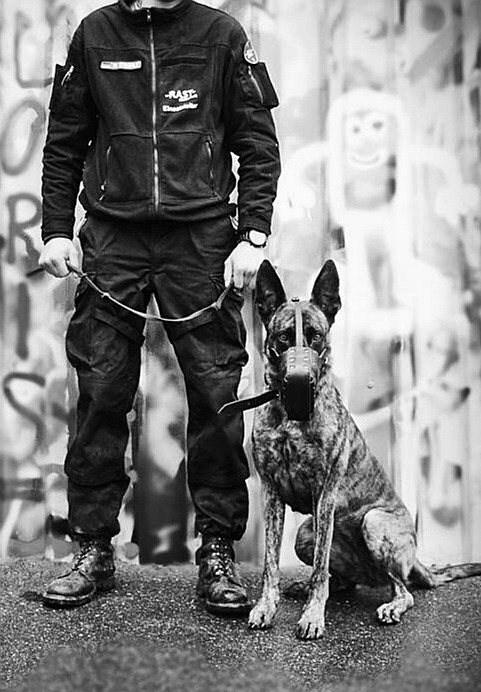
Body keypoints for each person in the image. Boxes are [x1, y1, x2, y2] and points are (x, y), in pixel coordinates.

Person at [38, 0, 280, 614]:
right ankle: (93, 548)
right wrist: (56, 232)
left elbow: (256, 142)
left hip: (201, 238)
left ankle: (218, 551)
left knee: (216, 395)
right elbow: (64, 140)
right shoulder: (95, 34)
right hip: (113, 237)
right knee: (101, 392)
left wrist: (253, 234)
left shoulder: (221, 35)